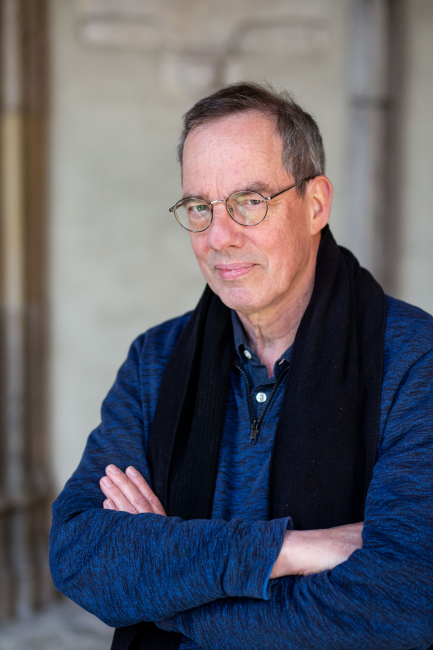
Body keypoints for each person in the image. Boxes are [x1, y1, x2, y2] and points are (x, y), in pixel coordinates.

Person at [49, 83, 433, 650]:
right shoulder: (155, 360)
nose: (219, 237)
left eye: (249, 200)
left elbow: (403, 600)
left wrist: (167, 594)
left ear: (316, 205)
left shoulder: (414, 360)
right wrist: (286, 551)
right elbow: (79, 551)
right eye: (199, 207)